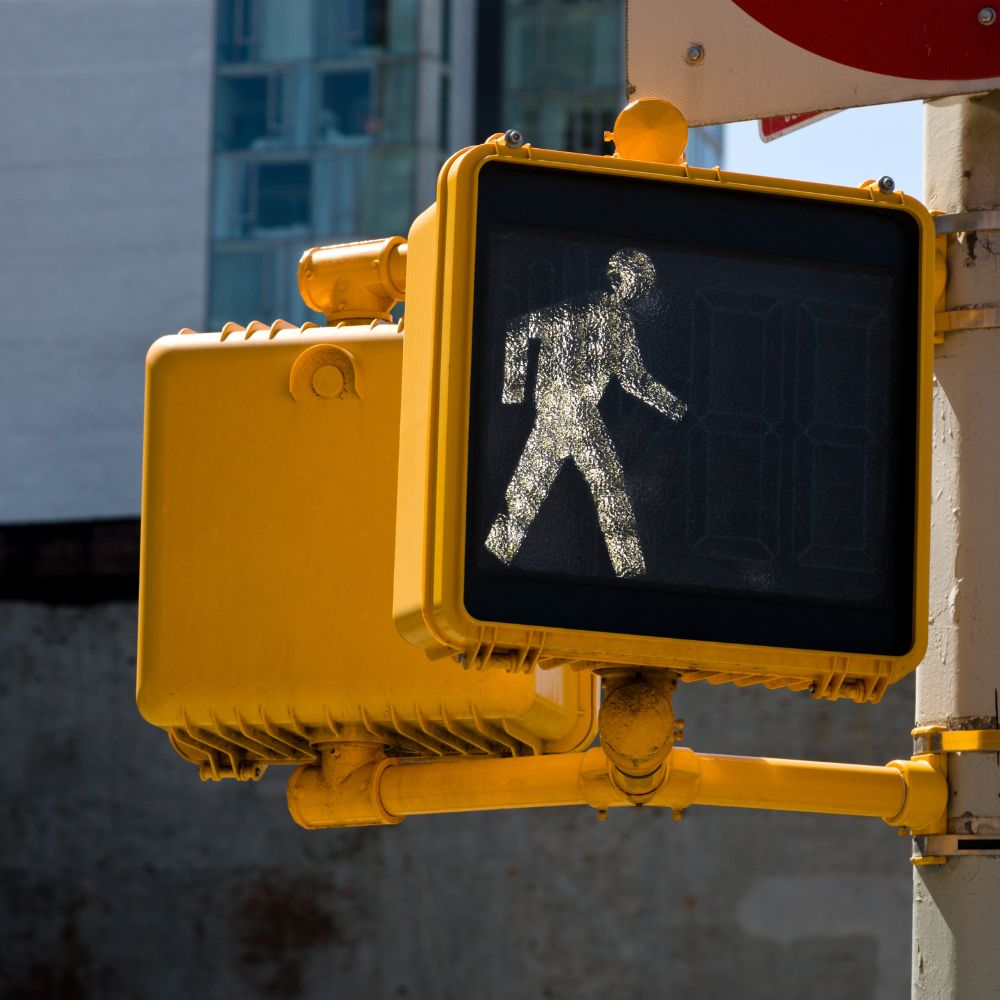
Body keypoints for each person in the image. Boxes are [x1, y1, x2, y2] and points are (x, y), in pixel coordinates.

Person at [486, 248, 686, 578]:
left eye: (639, 285)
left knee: (599, 488)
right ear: (617, 277)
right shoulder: (575, 310)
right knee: (549, 490)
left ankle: (630, 572)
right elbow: (520, 328)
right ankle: (629, 573)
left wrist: (675, 408)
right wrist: (514, 394)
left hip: (579, 414)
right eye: (631, 281)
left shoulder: (620, 323)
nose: (632, 290)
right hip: (557, 413)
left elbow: (633, 378)